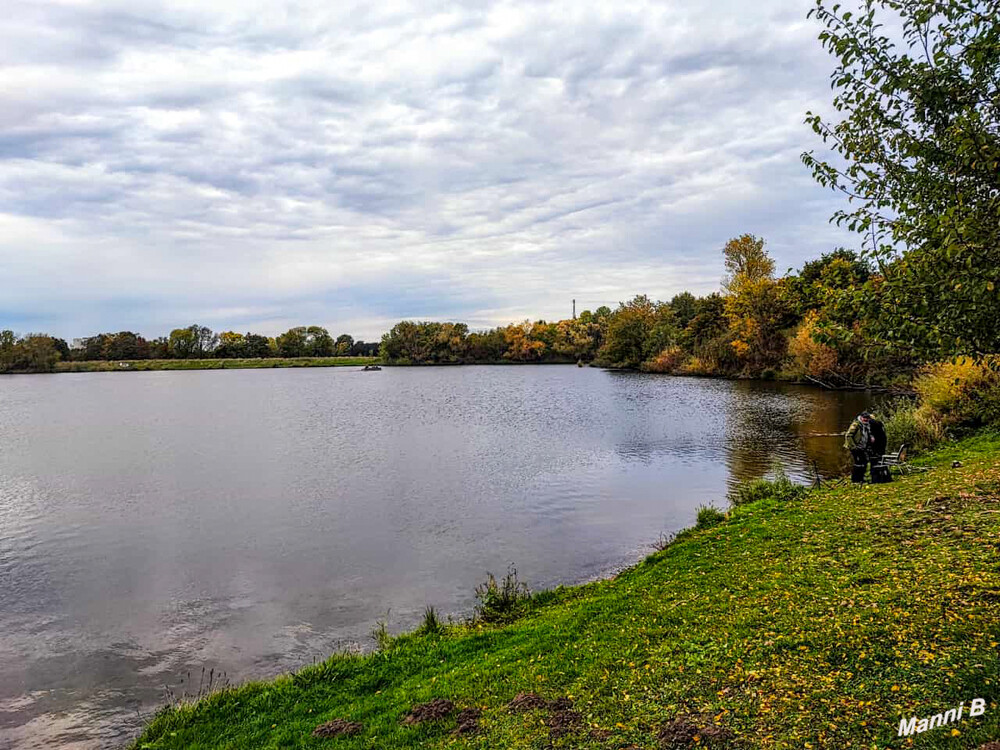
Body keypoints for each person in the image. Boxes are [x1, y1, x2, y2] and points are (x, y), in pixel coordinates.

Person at [844, 411, 875, 483]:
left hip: (863, 447)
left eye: (867, 418)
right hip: (855, 447)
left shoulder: (867, 425)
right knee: (858, 463)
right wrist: (854, 447)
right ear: (861, 417)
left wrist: (871, 438)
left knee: (864, 462)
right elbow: (848, 436)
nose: (866, 419)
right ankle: (855, 479)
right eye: (864, 418)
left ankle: (861, 478)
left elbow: (868, 434)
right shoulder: (856, 425)